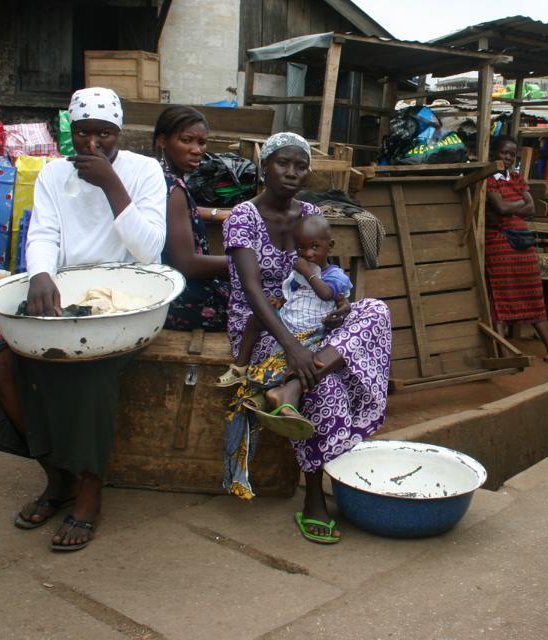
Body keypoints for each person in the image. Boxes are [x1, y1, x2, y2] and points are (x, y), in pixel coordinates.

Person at [0, 87, 167, 552]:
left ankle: (89, 489)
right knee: (4, 364)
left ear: (119, 132)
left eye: (105, 134)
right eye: (83, 133)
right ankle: (57, 473)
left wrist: (112, 185)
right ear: (72, 132)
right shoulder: (53, 174)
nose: (93, 144)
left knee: (87, 374)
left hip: (126, 302)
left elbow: (149, 251)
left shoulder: (144, 172)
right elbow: (44, 232)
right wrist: (41, 274)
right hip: (70, 294)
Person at [220, 132, 391, 545]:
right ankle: (315, 496)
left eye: (300, 166)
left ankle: (293, 385)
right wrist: (294, 348)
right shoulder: (243, 217)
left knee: (376, 310)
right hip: (263, 324)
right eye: (283, 163)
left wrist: (341, 307)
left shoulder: (311, 212)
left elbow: (326, 271)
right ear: (265, 166)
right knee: (325, 383)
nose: (292, 172)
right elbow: (252, 290)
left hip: (314, 318)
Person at [217, 215, 351, 414]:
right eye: (301, 249)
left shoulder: (334, 275)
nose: (308, 254)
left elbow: (326, 294)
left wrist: (308, 273)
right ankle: (240, 367)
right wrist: (280, 301)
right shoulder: (299, 275)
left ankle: (275, 396)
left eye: (315, 247)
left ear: (330, 246)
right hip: (289, 321)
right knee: (256, 318)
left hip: (312, 330)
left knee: (286, 363)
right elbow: (294, 294)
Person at [484, 135, 548, 368]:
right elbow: (502, 207)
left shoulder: (516, 178)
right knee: (501, 295)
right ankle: (503, 354)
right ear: (494, 153)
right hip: (499, 243)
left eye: (511, 154)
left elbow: (532, 207)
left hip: (522, 244)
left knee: (533, 293)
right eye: (504, 152)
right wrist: (517, 205)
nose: (508, 157)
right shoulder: (488, 178)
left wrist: (510, 207)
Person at [154, 106, 230, 330]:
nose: (197, 150)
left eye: (202, 142)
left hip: (160, 286)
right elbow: (187, 263)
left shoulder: (156, 175)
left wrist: (216, 213)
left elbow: (179, 211)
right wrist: (249, 262)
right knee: (263, 303)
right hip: (179, 296)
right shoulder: (173, 188)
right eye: (186, 140)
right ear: (162, 140)